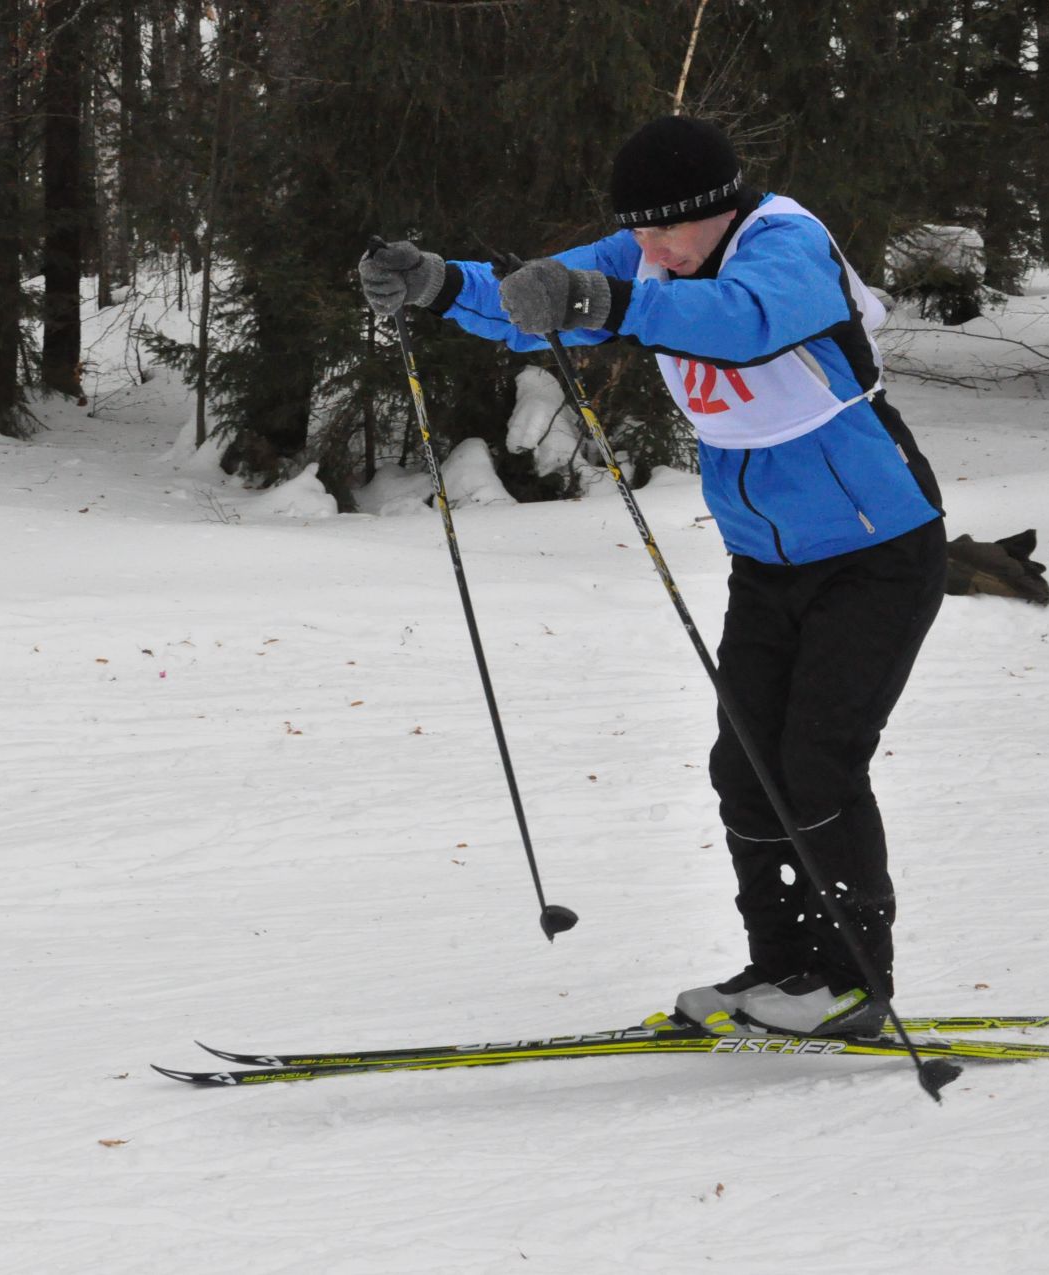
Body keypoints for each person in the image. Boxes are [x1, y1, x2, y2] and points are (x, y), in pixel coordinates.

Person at [359, 116, 946, 1036]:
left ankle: (853, 980)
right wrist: (436, 285)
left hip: (878, 550)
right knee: (745, 767)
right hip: (767, 561)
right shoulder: (652, 253)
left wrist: (606, 301)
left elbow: (745, 322)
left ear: (716, 209)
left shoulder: (785, 243)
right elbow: (531, 297)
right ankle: (786, 967)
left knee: (818, 763)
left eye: (664, 230)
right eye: (635, 231)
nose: (648, 249)